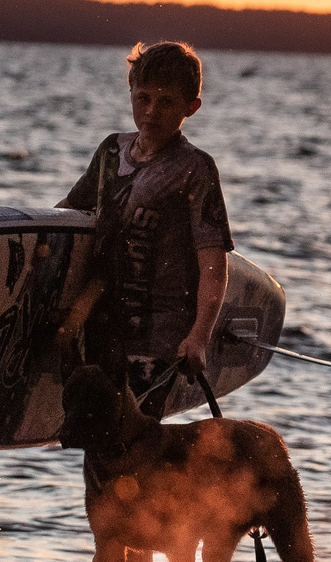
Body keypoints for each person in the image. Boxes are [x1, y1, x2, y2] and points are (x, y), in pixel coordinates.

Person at [55, 40, 233, 419]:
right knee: (96, 437)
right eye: (143, 97)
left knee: (133, 442)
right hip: (101, 324)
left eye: (167, 102)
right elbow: (68, 213)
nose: (151, 110)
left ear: (191, 107)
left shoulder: (194, 169)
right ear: (131, 94)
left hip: (160, 335)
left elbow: (213, 263)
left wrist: (199, 337)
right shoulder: (110, 152)